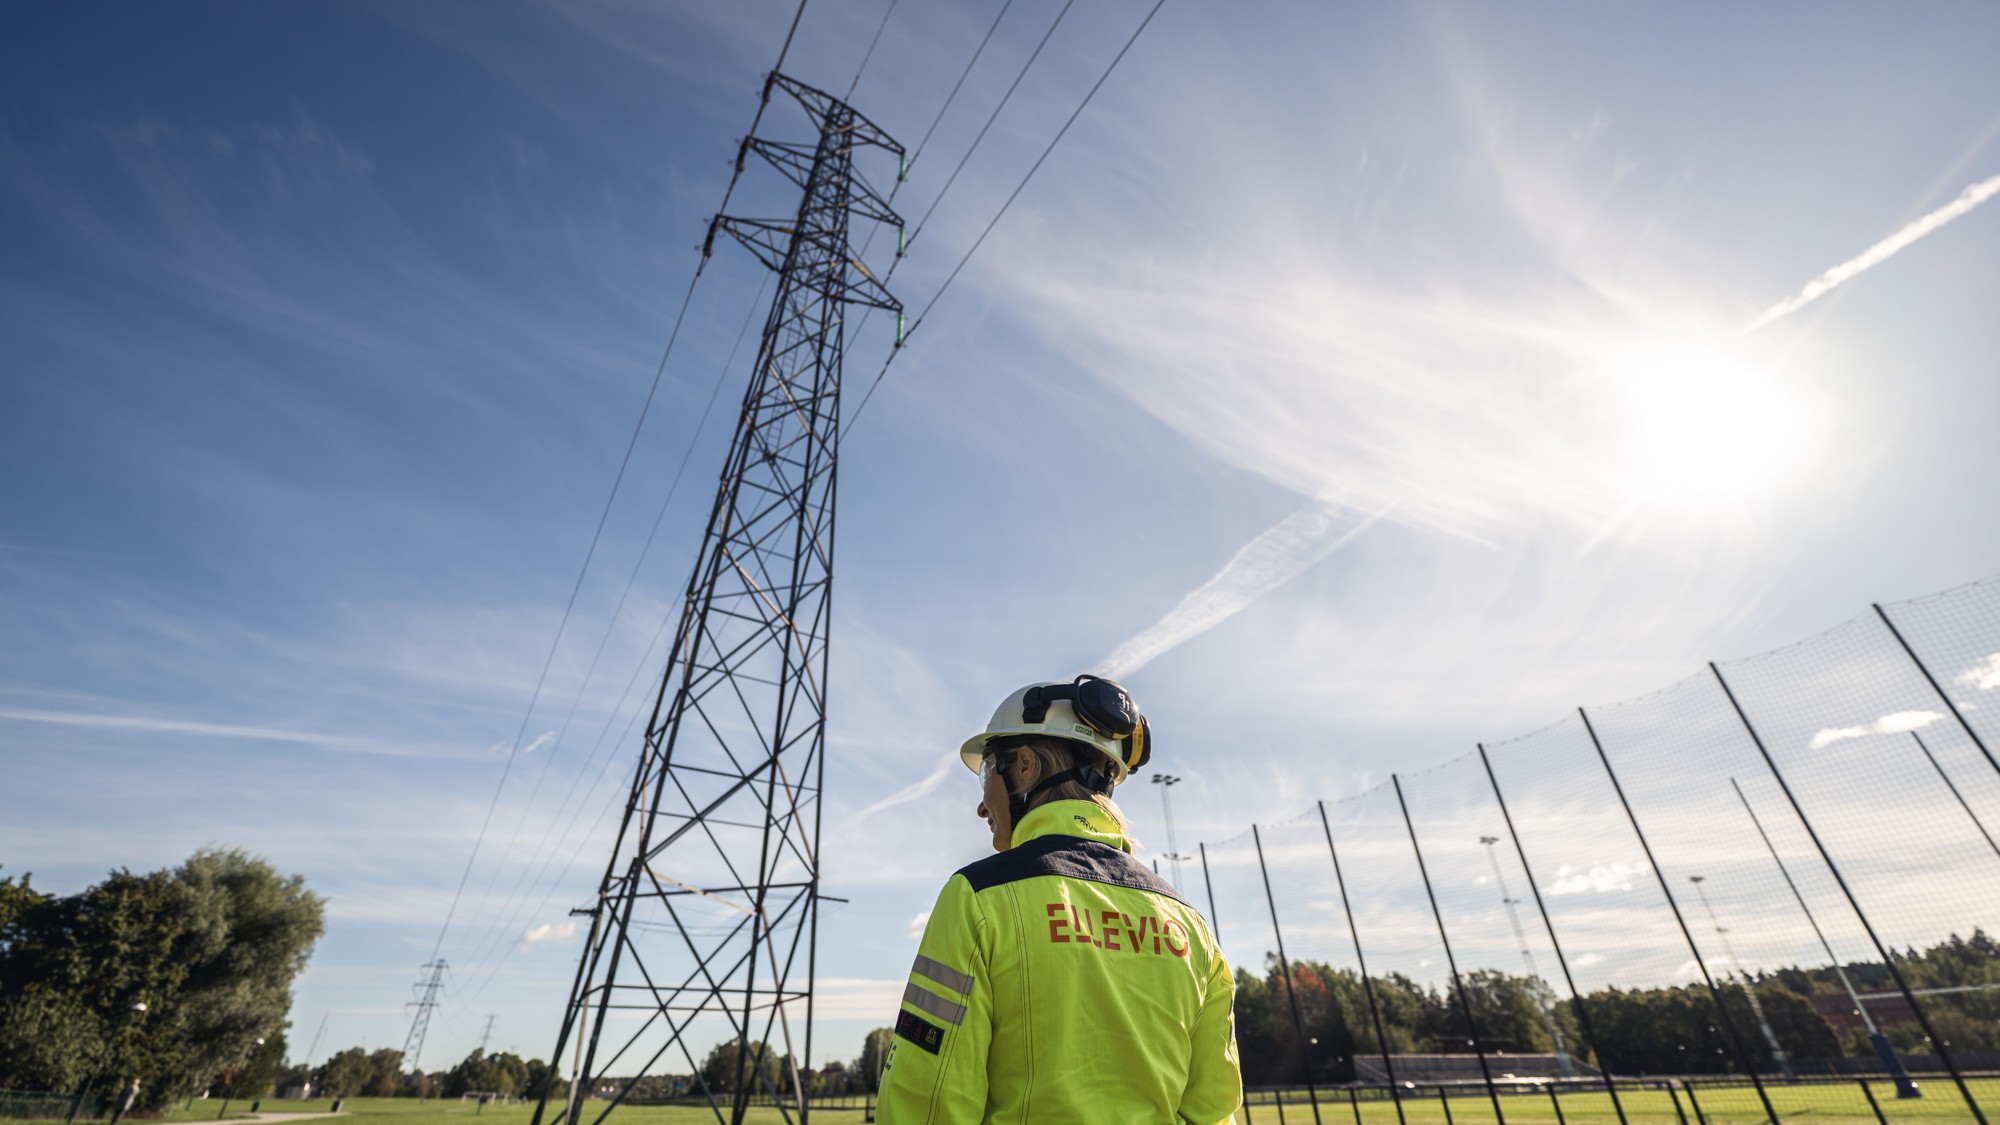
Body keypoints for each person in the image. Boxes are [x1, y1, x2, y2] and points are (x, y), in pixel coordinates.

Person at [875, 675, 1241, 1125]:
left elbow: (927, 1102)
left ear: (1025, 765)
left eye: (989, 772)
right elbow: (1214, 1111)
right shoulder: (1191, 926)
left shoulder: (978, 898)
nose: (983, 806)